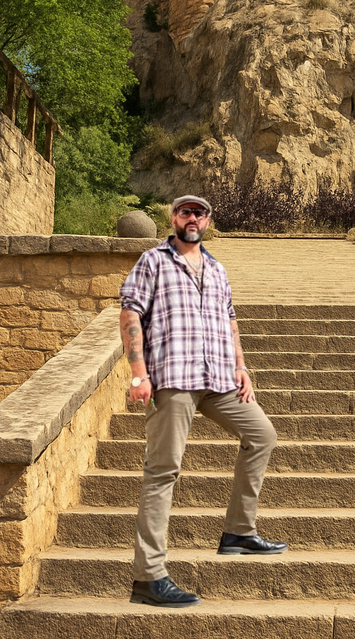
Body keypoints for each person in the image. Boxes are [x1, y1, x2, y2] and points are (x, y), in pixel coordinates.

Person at [119, 194, 287, 609]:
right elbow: (130, 314)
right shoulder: (153, 261)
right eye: (185, 212)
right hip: (172, 378)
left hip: (218, 379)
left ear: (208, 221)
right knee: (163, 471)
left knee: (262, 434)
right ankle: (148, 576)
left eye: (199, 213)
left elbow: (230, 320)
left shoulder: (216, 269)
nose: (192, 218)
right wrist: (138, 373)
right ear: (173, 218)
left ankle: (238, 532)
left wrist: (241, 366)